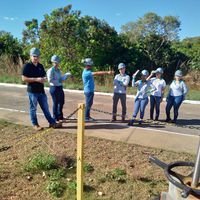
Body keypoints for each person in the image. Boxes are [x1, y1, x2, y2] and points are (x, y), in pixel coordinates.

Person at [21, 47, 61, 131]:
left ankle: (52, 123)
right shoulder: (27, 66)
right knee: (33, 108)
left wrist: (44, 78)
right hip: (32, 92)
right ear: (31, 56)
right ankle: (35, 124)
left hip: (41, 91)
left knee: (46, 108)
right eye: (34, 56)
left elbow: (43, 76)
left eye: (37, 56)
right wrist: (36, 79)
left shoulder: (40, 66)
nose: (36, 58)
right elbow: (24, 79)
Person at [47, 55, 71, 122]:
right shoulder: (51, 70)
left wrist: (66, 75)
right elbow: (50, 80)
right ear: (52, 62)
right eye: (55, 62)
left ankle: (60, 116)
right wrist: (59, 81)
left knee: (62, 102)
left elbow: (61, 78)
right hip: (54, 87)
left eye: (57, 62)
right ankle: (55, 117)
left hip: (59, 87)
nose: (56, 64)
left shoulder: (58, 70)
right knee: (56, 102)